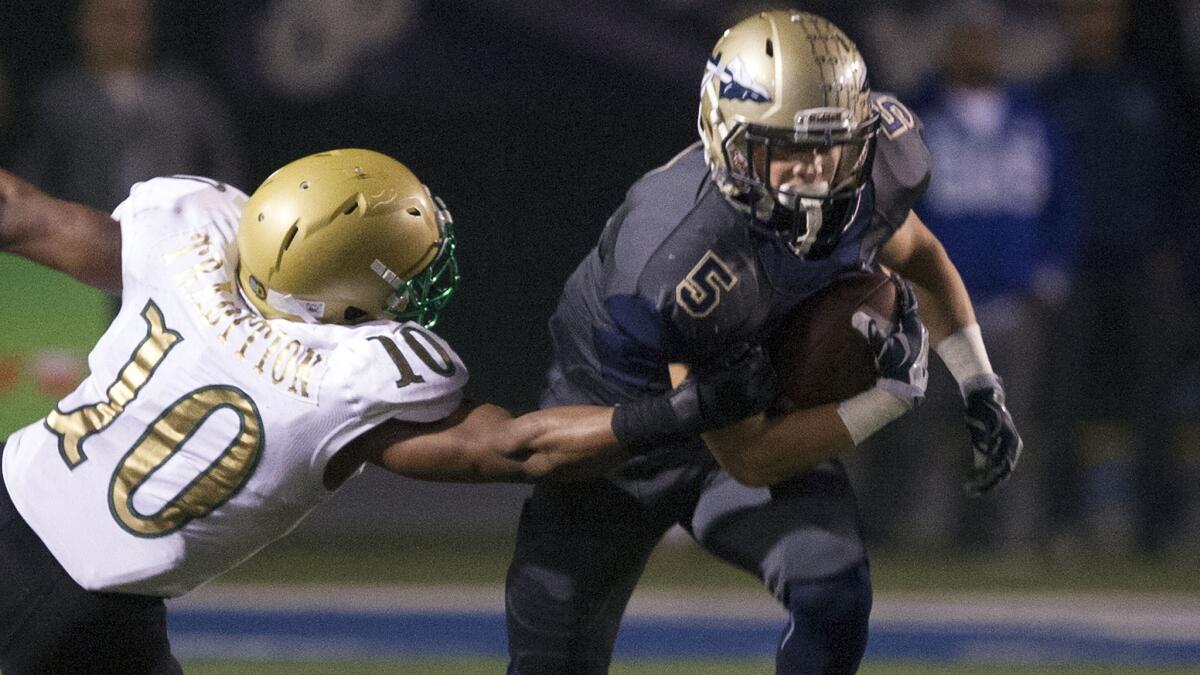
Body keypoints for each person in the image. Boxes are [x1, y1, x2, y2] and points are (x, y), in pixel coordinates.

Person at [0, 148, 772, 674]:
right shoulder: (347, 377)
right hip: (84, 605)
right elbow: (515, 449)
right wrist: (680, 411)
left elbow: (18, 210)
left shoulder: (187, 240)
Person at [503, 10, 1022, 674]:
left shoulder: (870, 174)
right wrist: (889, 396)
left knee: (833, 590)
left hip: (750, 409)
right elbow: (747, 456)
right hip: (617, 437)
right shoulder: (680, 260)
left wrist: (978, 380)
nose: (813, 174)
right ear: (727, 139)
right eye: (787, 150)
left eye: (830, 146)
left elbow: (920, 254)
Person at [875, 3, 1081, 553]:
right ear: (947, 46)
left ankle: (1011, 534)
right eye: (967, 39)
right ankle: (923, 529)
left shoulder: (1033, 119)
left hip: (1014, 302)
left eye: (987, 39)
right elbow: (892, 206)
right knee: (922, 421)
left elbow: (1063, 201)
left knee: (1015, 421)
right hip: (936, 303)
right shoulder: (917, 120)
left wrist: (1051, 270)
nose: (978, 49)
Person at [13, 0, 244, 213]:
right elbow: (32, 182)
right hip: (86, 233)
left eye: (133, 18)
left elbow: (225, 168)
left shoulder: (188, 93)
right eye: (112, 18)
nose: (122, 29)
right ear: (84, 23)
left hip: (180, 230)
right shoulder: (57, 100)